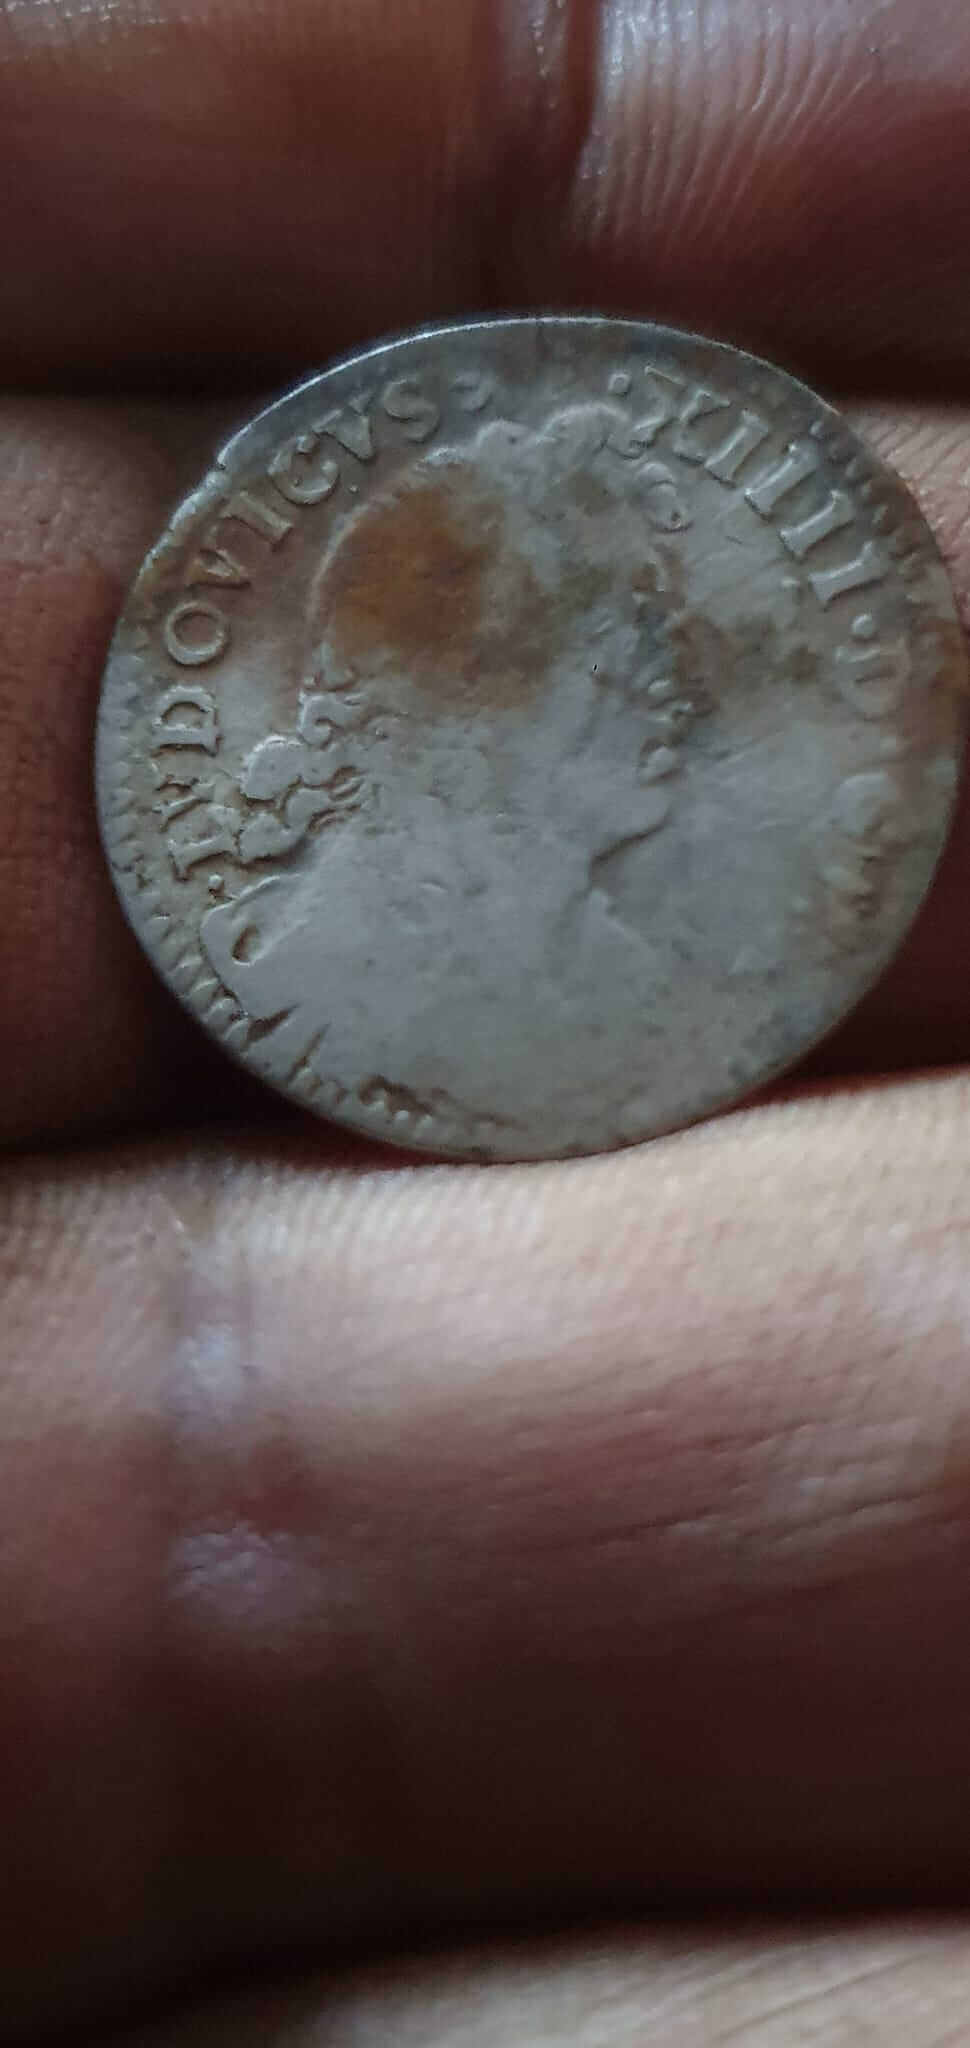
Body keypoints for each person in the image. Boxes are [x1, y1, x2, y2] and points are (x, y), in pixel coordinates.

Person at [2, 0, 970, 2038]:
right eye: (633, 654)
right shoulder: (347, 967)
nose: (688, 699)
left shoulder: (623, 979)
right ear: (468, 706)